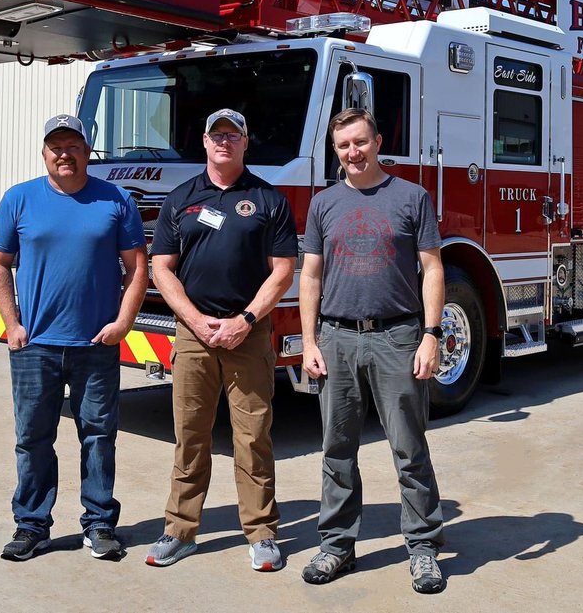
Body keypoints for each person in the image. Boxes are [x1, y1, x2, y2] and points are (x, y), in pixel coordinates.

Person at [299, 107, 447, 594]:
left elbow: (433, 270)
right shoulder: (324, 204)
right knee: (336, 449)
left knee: (408, 447)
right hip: (338, 339)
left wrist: (431, 334)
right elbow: (312, 276)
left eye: (360, 142)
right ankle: (337, 547)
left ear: (378, 141)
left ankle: (423, 548)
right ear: (335, 151)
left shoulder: (411, 197)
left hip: (397, 338)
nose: (353, 153)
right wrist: (309, 342)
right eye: (343, 146)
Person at [0, 114, 148, 562]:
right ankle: (32, 525)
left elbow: (137, 267)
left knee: (98, 435)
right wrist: (12, 324)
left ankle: (99, 525)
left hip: (96, 345)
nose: (64, 153)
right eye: (55, 145)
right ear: (44, 153)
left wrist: (123, 323)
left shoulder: (115, 199)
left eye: (72, 145)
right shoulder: (19, 199)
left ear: (86, 151)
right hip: (34, 344)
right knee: (33, 437)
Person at [146, 108, 298, 572]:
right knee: (190, 436)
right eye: (217, 135)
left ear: (246, 143)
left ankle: (262, 533)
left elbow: (283, 271)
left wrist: (246, 319)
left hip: (247, 336)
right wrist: (193, 319)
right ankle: (179, 529)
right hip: (194, 335)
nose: (224, 143)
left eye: (234, 135)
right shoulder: (181, 198)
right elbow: (161, 268)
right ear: (205, 143)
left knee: (253, 437)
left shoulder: (269, 199)